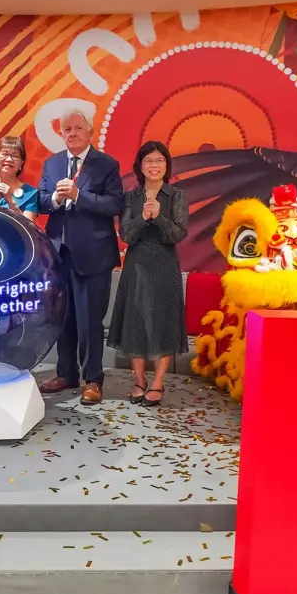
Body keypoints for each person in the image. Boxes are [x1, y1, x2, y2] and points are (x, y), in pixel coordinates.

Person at [37, 107, 124, 405]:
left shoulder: (106, 165)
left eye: (77, 128)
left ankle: (93, 379)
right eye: (66, 130)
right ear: (61, 134)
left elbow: (114, 204)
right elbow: (40, 201)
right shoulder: (52, 163)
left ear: (90, 131)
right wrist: (55, 198)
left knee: (89, 321)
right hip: (59, 254)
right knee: (63, 319)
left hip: (93, 255)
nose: (72, 134)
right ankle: (66, 373)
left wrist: (78, 196)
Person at [107, 141, 189, 407]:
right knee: (136, 322)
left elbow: (178, 234)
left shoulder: (176, 196)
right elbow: (127, 235)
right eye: (149, 161)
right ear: (140, 166)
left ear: (167, 165)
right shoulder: (131, 197)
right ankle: (140, 381)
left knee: (163, 323)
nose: (154, 165)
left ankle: (158, 382)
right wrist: (143, 217)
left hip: (165, 265)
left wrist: (160, 218)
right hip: (137, 266)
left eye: (159, 160)